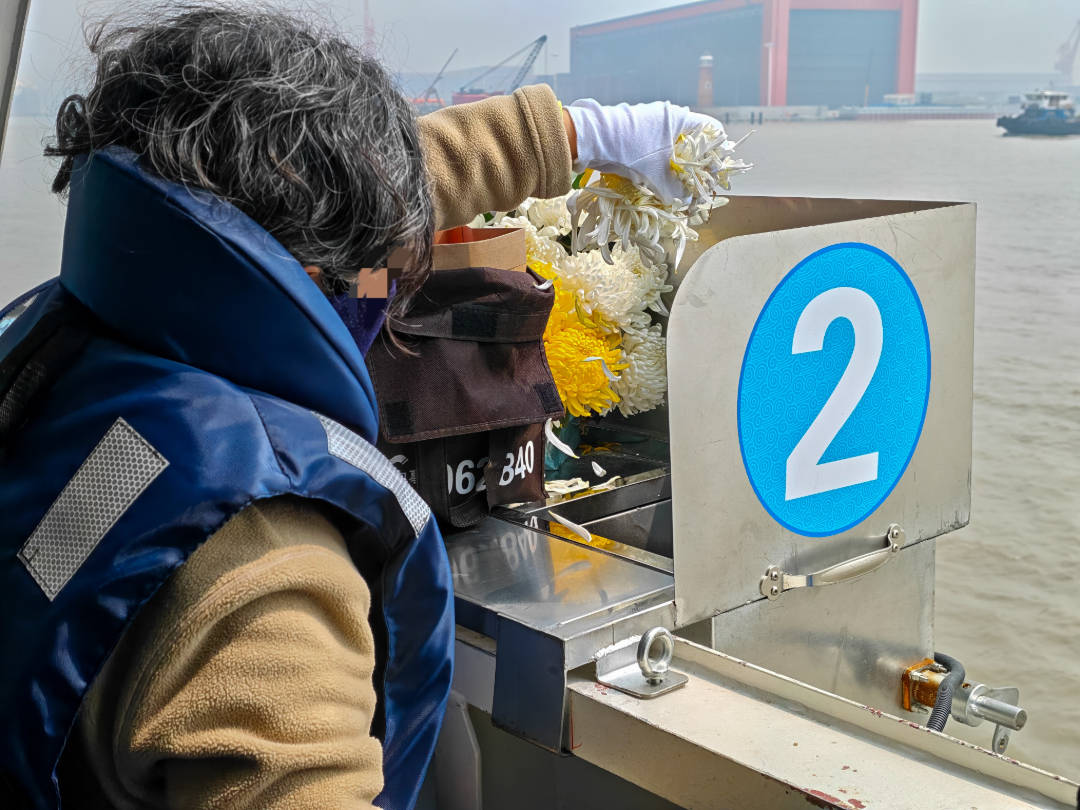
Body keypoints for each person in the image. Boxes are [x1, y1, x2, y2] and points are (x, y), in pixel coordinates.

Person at [0, 5, 724, 810]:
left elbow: (323, 208)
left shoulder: (84, 331)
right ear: (316, 275)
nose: (391, 287)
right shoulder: (268, 580)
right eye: (389, 275)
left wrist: (578, 135)